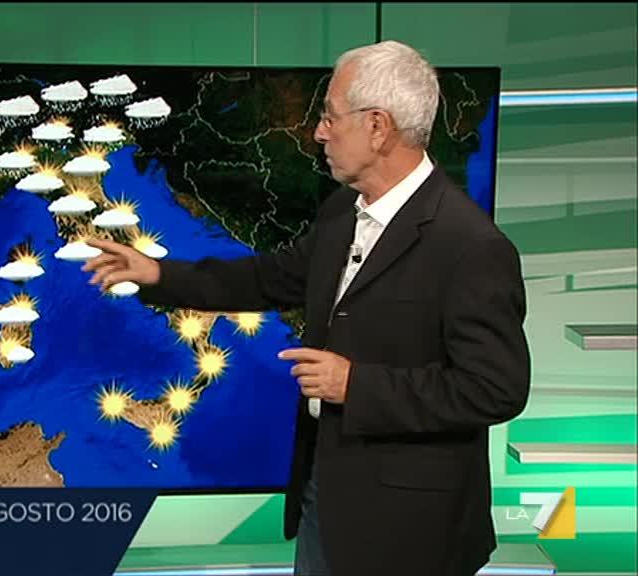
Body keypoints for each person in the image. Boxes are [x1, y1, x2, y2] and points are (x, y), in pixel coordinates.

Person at [82, 40, 530, 576]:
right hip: (328, 496)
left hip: (413, 527)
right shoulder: (343, 212)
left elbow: (495, 388)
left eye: (330, 117)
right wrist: (159, 274)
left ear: (378, 127)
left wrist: (355, 385)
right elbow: (269, 278)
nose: (318, 132)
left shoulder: (470, 247)